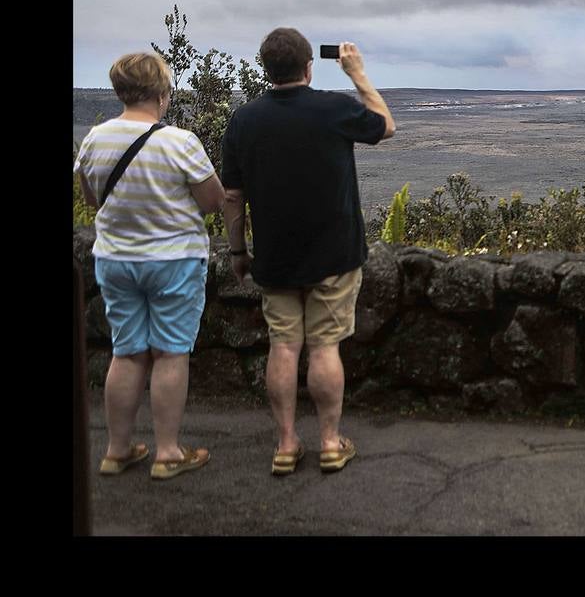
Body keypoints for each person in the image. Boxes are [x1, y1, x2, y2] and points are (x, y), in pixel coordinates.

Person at [221, 29, 394, 476]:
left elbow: (233, 196)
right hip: (334, 254)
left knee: (283, 346)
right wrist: (357, 74)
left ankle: (285, 444)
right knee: (324, 348)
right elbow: (385, 126)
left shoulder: (244, 120)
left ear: (266, 68)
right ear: (308, 66)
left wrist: (238, 249)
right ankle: (331, 443)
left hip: (275, 258)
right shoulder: (333, 108)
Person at [74, 52, 225, 480]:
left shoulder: (95, 138)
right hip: (173, 261)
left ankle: (117, 450)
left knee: (126, 352)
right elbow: (212, 201)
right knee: (170, 354)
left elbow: (90, 199)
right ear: (163, 92)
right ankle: (168, 452)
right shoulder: (179, 142)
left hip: (115, 259)